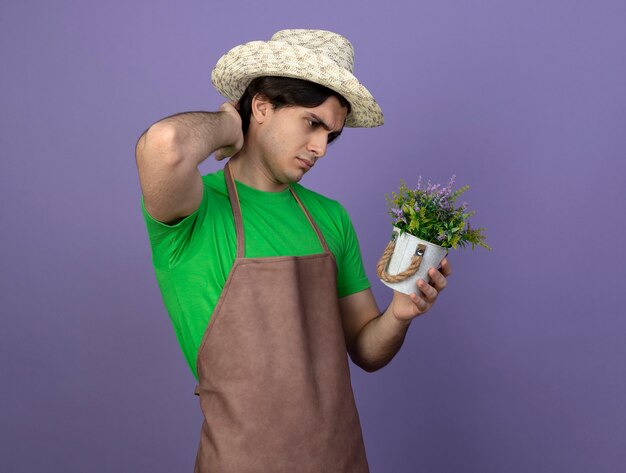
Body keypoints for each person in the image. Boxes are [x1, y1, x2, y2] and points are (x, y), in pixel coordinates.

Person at [135, 29, 451, 473]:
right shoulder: (196, 212)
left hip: (340, 458)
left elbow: (366, 351)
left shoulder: (329, 218)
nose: (321, 148)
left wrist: (400, 313)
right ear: (262, 106)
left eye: (331, 134)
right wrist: (230, 124)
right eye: (312, 123)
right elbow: (164, 145)